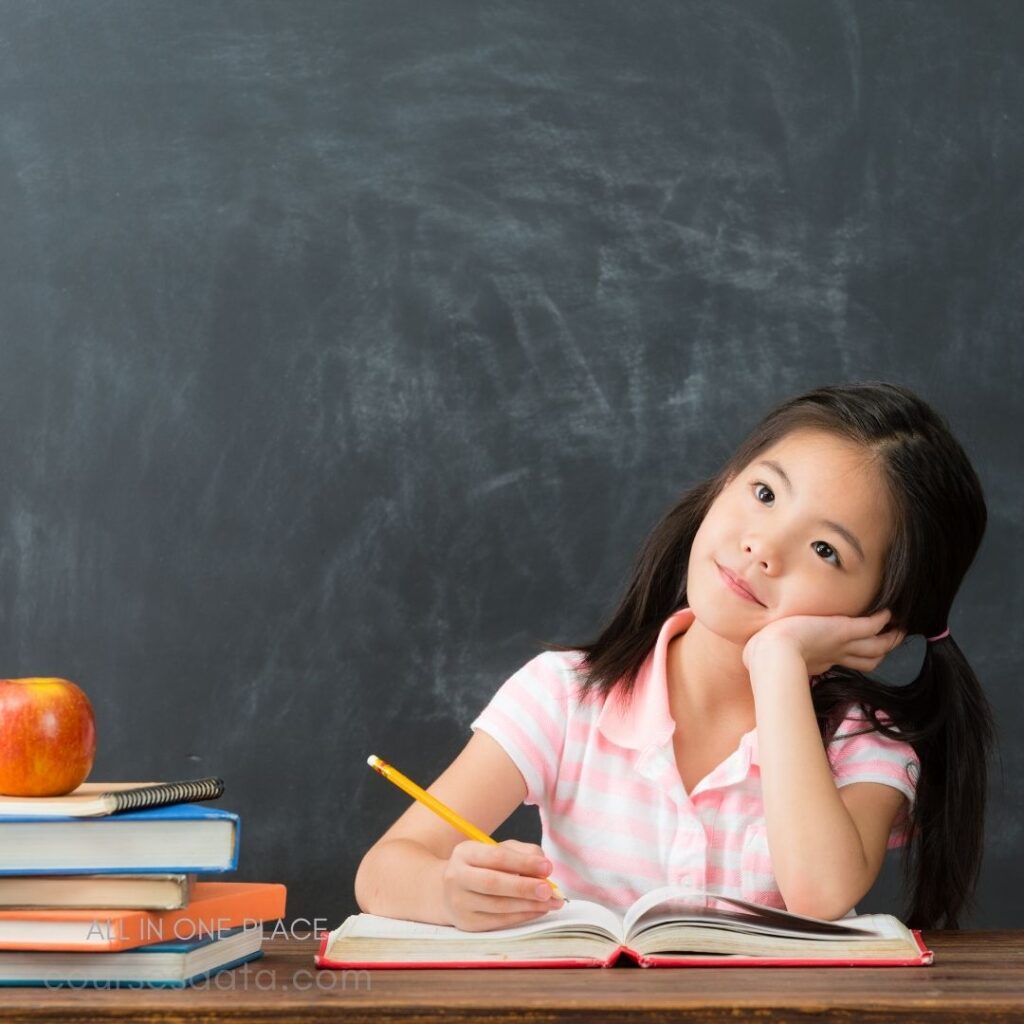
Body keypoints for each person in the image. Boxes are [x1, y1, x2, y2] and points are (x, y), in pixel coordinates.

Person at [354, 381, 993, 932]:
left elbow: (821, 893)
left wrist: (776, 662)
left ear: (880, 617)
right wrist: (449, 892)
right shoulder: (565, 697)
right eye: (765, 494)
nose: (762, 547)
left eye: (826, 550)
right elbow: (383, 872)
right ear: (723, 485)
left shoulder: (860, 743)